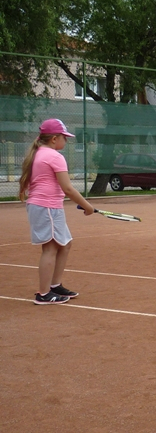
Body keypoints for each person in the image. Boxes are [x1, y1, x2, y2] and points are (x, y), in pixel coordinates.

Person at [19, 118, 96, 305]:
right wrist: (87, 206)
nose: (66, 141)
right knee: (51, 248)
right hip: (46, 207)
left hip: (48, 206)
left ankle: (55, 286)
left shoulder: (39, 153)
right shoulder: (54, 156)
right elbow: (68, 188)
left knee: (65, 244)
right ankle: (43, 293)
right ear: (54, 138)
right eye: (64, 137)